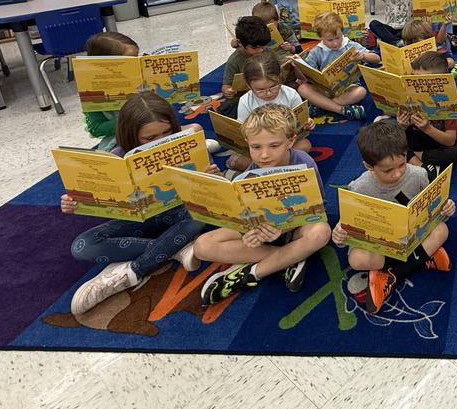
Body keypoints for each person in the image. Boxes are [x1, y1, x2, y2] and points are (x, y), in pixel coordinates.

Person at [62, 92, 218, 315]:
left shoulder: (188, 145)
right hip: (144, 220)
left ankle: (134, 270)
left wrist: (212, 176)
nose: (160, 141)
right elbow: (97, 197)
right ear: (132, 136)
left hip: (184, 216)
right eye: (149, 138)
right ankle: (175, 248)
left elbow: (211, 195)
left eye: (167, 133)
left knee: (198, 216)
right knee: (82, 245)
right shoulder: (118, 157)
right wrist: (75, 202)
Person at [197, 104, 332, 305]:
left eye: (274, 146)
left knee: (321, 232)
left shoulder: (304, 162)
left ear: (291, 140)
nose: (264, 155)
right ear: (247, 143)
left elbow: (316, 210)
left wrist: (283, 228)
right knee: (201, 246)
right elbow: (242, 210)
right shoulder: (251, 171)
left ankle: (252, 274)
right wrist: (248, 231)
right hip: (262, 230)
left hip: (294, 228)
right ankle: (291, 258)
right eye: (256, 147)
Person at [331, 119, 455, 314]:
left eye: (401, 164)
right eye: (387, 170)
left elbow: (432, 209)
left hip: (412, 234)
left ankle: (392, 274)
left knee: (442, 230)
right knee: (356, 259)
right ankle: (422, 258)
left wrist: (445, 210)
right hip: (382, 244)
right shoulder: (359, 188)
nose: (397, 174)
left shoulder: (419, 174)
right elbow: (348, 226)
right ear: (368, 166)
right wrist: (339, 235)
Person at [226, 51, 315, 174]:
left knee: (304, 145)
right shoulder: (245, 101)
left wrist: (308, 122)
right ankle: (280, 168)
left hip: (281, 145)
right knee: (235, 161)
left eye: (274, 86)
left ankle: (264, 170)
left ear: (280, 77)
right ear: (249, 86)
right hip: (260, 147)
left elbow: (300, 120)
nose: (268, 93)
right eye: (260, 90)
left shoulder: (291, 95)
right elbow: (242, 131)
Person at [294, 11, 376, 120]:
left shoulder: (349, 45)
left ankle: (322, 106)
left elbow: (376, 58)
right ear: (320, 37)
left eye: (338, 37)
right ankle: (340, 109)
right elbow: (302, 77)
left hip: (347, 88)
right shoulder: (317, 51)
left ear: (342, 32)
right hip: (324, 89)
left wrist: (363, 55)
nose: (335, 43)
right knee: (302, 88)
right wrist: (297, 65)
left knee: (361, 92)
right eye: (329, 40)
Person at [393, 51, 457, 177]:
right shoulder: (409, 96)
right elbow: (401, 134)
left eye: (422, 80)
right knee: (387, 138)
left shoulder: (448, 101)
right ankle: (422, 166)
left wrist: (428, 128)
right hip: (415, 137)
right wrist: (401, 126)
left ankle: (413, 160)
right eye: (413, 78)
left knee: (453, 153)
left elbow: (450, 140)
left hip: (438, 141)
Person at [82, 31, 139, 153]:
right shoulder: (92, 92)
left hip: (156, 130)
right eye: (127, 63)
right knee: (117, 154)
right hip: (121, 139)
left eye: (137, 58)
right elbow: (96, 128)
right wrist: (130, 120)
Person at [221, 16, 271, 99]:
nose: (260, 51)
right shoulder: (234, 61)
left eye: (263, 46)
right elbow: (226, 85)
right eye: (254, 48)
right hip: (245, 96)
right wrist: (228, 91)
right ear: (239, 43)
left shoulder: (268, 52)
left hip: (268, 92)